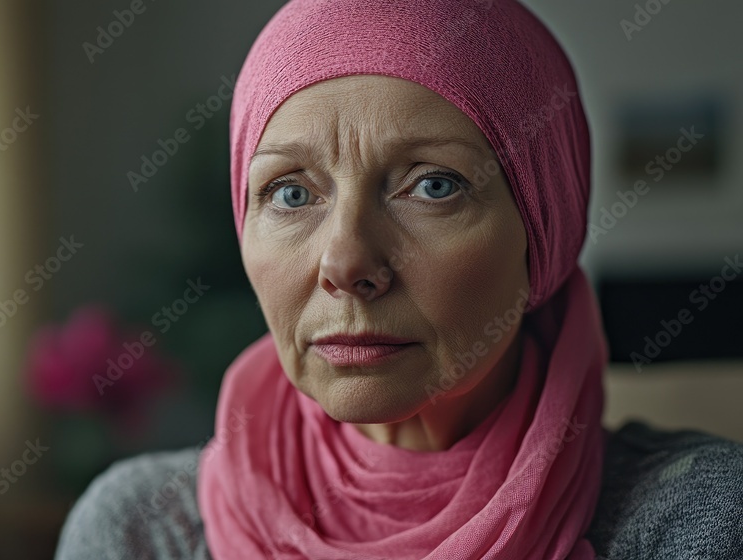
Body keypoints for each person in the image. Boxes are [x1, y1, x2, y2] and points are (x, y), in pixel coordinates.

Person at [56, 0, 743, 558]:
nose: (347, 263)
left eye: (433, 186)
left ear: (546, 234)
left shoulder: (691, 522)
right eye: (291, 194)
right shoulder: (138, 533)